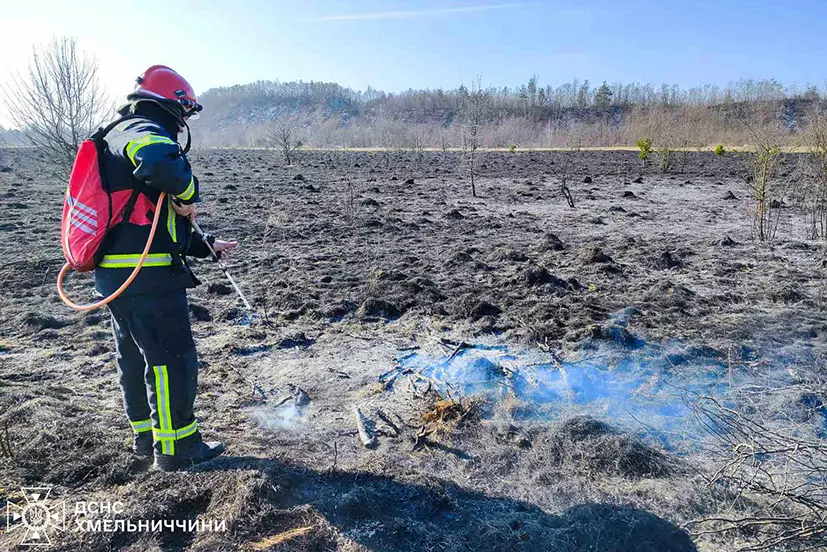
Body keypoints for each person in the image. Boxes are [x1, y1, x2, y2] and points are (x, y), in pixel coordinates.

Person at [98, 65, 237, 471]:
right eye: (186, 112)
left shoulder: (119, 135)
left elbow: (152, 219)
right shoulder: (142, 129)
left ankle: (147, 437)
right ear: (172, 105)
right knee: (171, 358)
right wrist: (189, 190)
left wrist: (206, 245)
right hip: (147, 278)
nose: (185, 122)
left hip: (121, 274)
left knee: (137, 358)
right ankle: (179, 447)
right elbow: (162, 165)